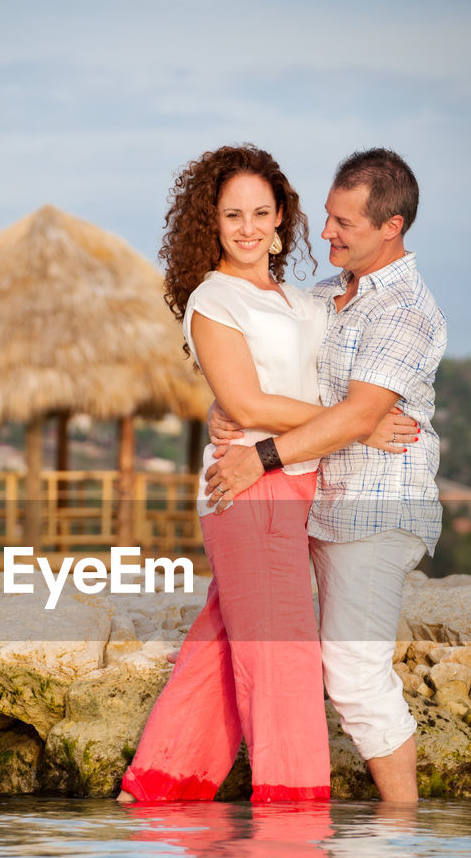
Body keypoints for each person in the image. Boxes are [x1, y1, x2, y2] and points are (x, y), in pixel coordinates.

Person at [117, 145, 414, 805]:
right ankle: (293, 812)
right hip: (245, 488)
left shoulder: (302, 301)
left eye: (259, 211)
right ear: (211, 223)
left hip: (301, 485)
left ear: (280, 215)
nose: (247, 226)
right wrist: (355, 421)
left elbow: (331, 367)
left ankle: (158, 794)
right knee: (281, 657)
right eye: (231, 215)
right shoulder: (212, 300)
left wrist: (348, 416)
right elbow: (249, 405)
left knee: (222, 647)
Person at [201, 148, 444, 806]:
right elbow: (267, 375)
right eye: (328, 216)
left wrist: (261, 454)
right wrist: (225, 407)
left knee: (356, 674)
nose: (325, 233)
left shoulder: (404, 313)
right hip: (305, 501)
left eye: (344, 223)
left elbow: (359, 416)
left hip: (372, 507)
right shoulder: (320, 296)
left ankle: (399, 836)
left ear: (390, 226)